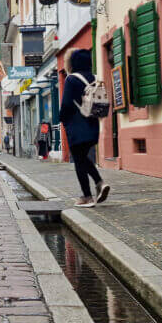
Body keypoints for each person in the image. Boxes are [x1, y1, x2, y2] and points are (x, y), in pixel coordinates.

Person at [60, 48, 109, 206]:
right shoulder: (94, 78)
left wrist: (62, 119)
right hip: (93, 125)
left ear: (71, 63)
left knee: (79, 161)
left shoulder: (71, 79)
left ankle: (87, 197)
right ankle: (100, 184)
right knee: (83, 158)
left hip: (76, 127)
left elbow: (67, 104)